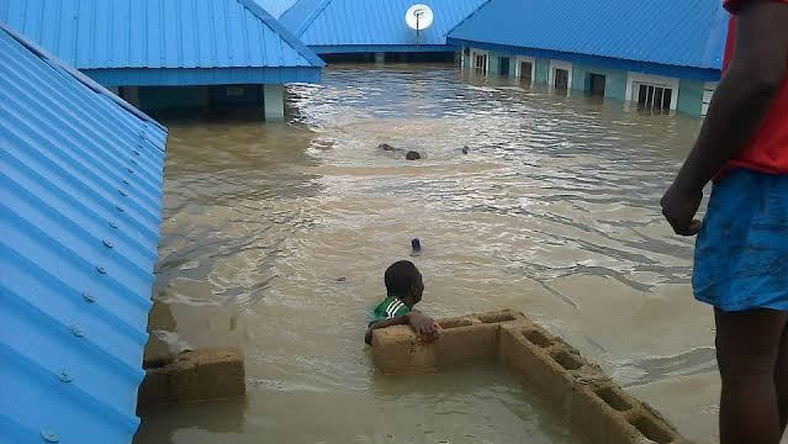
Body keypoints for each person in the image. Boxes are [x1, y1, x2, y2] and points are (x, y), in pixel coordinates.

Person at [660, 1, 788, 442]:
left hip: (768, 184)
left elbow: (758, 75)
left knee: (747, 366)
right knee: (779, 352)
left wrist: (688, 183)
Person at [365, 260, 439, 345]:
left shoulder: (393, 305)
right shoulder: (395, 309)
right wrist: (407, 317)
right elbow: (370, 332)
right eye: (420, 280)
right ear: (414, 289)